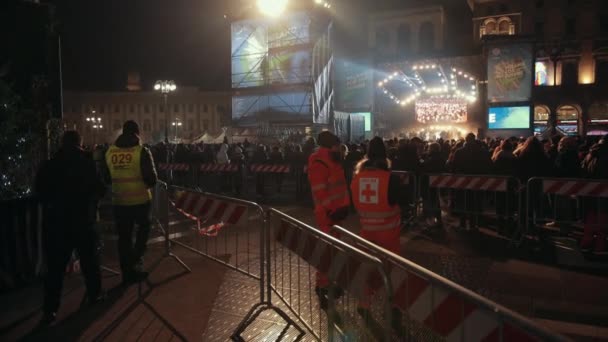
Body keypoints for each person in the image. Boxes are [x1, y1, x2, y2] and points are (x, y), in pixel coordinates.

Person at [35, 131, 106, 326]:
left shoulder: (49, 165)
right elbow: (100, 189)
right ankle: (94, 296)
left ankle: (50, 310)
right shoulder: (87, 164)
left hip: (56, 223)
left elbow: (39, 192)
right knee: (90, 262)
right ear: (80, 143)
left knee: (55, 270)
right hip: (83, 221)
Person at [350, 137, 404, 332]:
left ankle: (363, 305)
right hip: (388, 236)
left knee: (369, 273)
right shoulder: (391, 179)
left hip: (366, 234)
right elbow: (403, 200)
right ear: (385, 155)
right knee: (392, 275)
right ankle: (392, 308)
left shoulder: (357, 179)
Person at [104, 121, 157, 286]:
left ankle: (127, 273)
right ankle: (136, 257)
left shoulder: (110, 152)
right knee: (144, 228)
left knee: (124, 238)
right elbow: (152, 179)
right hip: (140, 200)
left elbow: (106, 178)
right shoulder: (141, 151)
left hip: (119, 201)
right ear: (136, 133)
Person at [307, 131, 350, 309]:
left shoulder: (332, 159)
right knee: (327, 250)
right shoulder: (320, 161)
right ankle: (322, 285)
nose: (340, 148)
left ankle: (330, 282)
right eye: (337, 145)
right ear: (330, 145)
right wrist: (332, 210)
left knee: (334, 249)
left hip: (336, 213)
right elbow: (320, 190)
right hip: (328, 214)